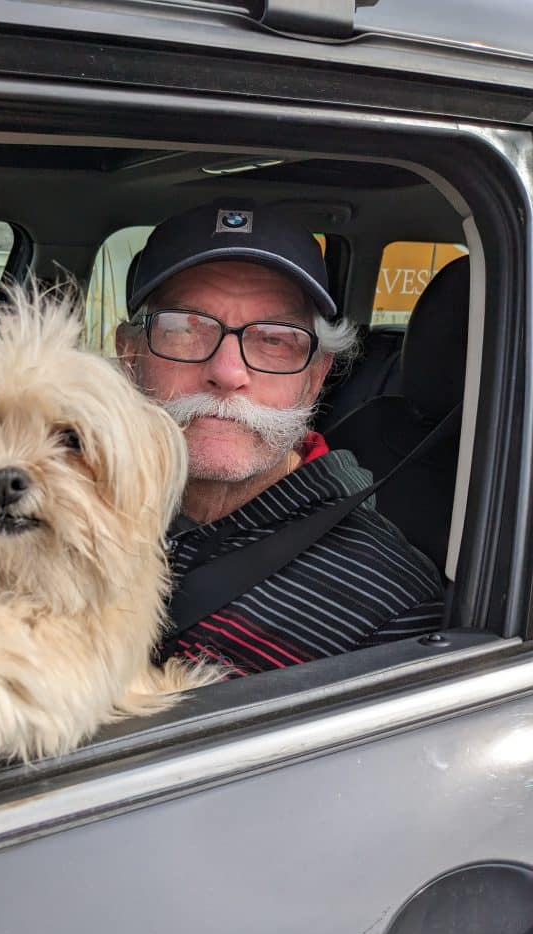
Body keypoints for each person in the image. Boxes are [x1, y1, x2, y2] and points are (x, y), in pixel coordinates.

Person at [116, 200, 444, 677]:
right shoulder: (64, 501)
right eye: (185, 329)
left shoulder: (388, 604)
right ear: (129, 356)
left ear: (315, 378)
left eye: (273, 338)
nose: (228, 373)